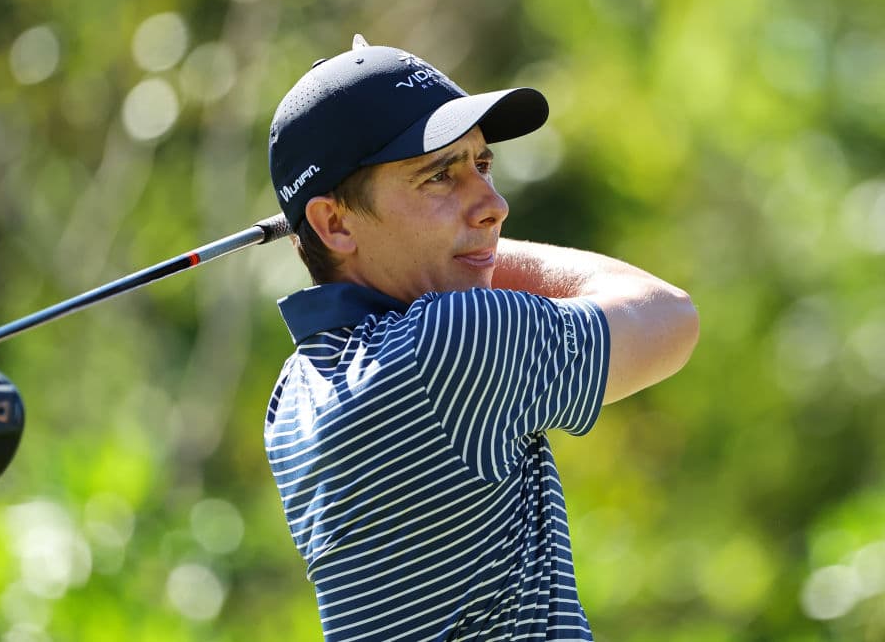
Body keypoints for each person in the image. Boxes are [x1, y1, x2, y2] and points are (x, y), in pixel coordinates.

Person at [264, 35, 699, 641]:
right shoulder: (453, 343)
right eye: (441, 176)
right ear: (334, 223)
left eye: (483, 164)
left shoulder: (294, 393)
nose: (494, 203)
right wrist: (478, 248)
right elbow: (670, 318)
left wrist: (460, 241)